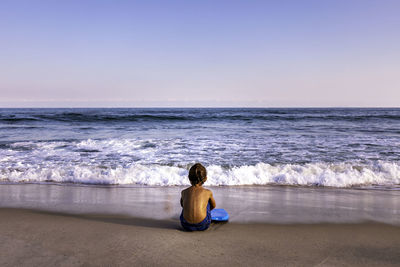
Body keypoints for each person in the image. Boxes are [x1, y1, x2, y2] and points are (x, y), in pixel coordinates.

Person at [180, 163, 216, 231]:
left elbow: (182, 205)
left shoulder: (183, 192)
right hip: (203, 225)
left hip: (185, 225)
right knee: (207, 202)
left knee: (186, 203)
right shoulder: (208, 192)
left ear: (189, 177)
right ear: (205, 178)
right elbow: (213, 206)